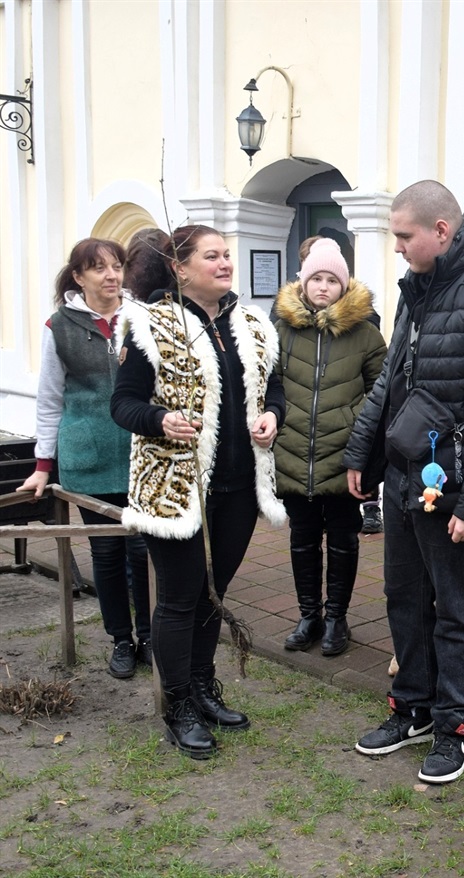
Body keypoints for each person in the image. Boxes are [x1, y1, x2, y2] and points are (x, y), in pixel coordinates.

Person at [342, 181, 464, 785]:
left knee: (457, 611)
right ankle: (413, 708)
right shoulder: (418, 290)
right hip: (405, 479)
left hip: (456, 488)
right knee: (404, 599)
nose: (396, 247)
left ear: (441, 231)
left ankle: (456, 726)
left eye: (404, 235)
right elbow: (392, 381)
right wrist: (362, 451)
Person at [111, 224, 287, 759]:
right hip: (176, 489)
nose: (226, 263)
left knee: (214, 595)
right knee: (181, 597)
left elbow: (273, 387)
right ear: (180, 267)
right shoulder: (149, 324)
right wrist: (161, 419)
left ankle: (205, 688)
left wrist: (273, 416)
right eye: (212, 256)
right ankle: (179, 703)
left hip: (238, 487)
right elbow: (123, 404)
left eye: (227, 254)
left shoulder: (253, 323)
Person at [21, 238, 151, 679]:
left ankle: (149, 635)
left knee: (141, 547)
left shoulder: (142, 317)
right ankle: (120, 639)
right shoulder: (59, 325)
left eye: (116, 266)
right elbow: (49, 398)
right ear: (79, 276)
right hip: (89, 454)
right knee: (107, 551)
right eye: (99, 268)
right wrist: (43, 465)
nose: (111, 276)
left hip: (140, 450)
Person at [272, 239, 386, 656]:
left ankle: (337, 617)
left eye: (331, 280)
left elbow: (381, 392)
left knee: (343, 538)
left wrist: (362, 437)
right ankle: (309, 615)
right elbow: (268, 387)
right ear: (303, 283)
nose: (322, 287)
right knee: (302, 537)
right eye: (315, 278)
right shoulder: (281, 330)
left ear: (344, 285)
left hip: (344, 456)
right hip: (293, 453)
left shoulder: (366, 334)